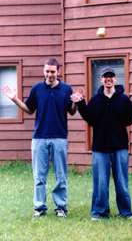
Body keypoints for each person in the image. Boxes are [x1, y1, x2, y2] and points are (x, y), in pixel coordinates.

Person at [2, 58, 77, 219]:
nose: (49, 74)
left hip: (59, 138)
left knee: (61, 175)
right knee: (39, 176)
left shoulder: (66, 89)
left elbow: (71, 111)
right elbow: (29, 110)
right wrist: (14, 99)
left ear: (59, 72)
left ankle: (61, 208)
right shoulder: (37, 89)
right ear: (44, 71)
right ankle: (39, 208)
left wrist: (75, 103)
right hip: (39, 138)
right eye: (47, 71)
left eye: (52, 71)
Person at [71, 67, 132, 220]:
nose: (108, 79)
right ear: (101, 79)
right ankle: (100, 212)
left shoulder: (123, 99)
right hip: (100, 147)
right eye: (105, 77)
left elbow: (128, 120)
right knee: (101, 182)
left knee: (122, 182)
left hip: (120, 146)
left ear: (115, 80)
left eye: (111, 76)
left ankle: (126, 211)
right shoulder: (96, 100)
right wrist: (81, 103)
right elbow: (90, 119)